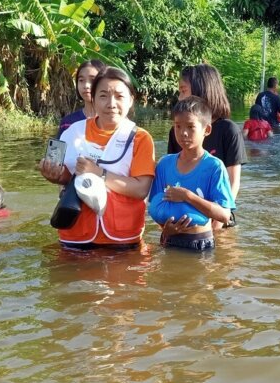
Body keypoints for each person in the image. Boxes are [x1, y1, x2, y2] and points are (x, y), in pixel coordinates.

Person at [39, 67, 156, 249]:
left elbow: (141, 189)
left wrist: (99, 173)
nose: (111, 104)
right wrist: (54, 175)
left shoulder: (141, 138)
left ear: (131, 100)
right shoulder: (70, 131)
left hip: (122, 239)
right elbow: (62, 175)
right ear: (92, 99)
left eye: (119, 96)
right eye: (103, 96)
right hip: (75, 235)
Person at [150, 97, 235, 250]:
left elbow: (224, 215)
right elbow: (155, 205)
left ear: (206, 130)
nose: (183, 133)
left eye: (190, 127)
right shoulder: (164, 164)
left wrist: (188, 196)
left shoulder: (214, 167)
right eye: (178, 126)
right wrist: (166, 230)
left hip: (200, 241)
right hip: (169, 239)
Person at [167, 64, 246, 228]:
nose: (179, 98)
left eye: (183, 91)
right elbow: (171, 178)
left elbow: (233, 183)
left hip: (219, 218)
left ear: (201, 91)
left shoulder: (228, 130)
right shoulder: (177, 133)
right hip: (184, 217)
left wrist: (216, 223)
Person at [57, 59, 106, 137]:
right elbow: (58, 145)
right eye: (81, 80)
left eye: (92, 80)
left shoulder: (114, 122)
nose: (86, 86)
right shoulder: (68, 122)